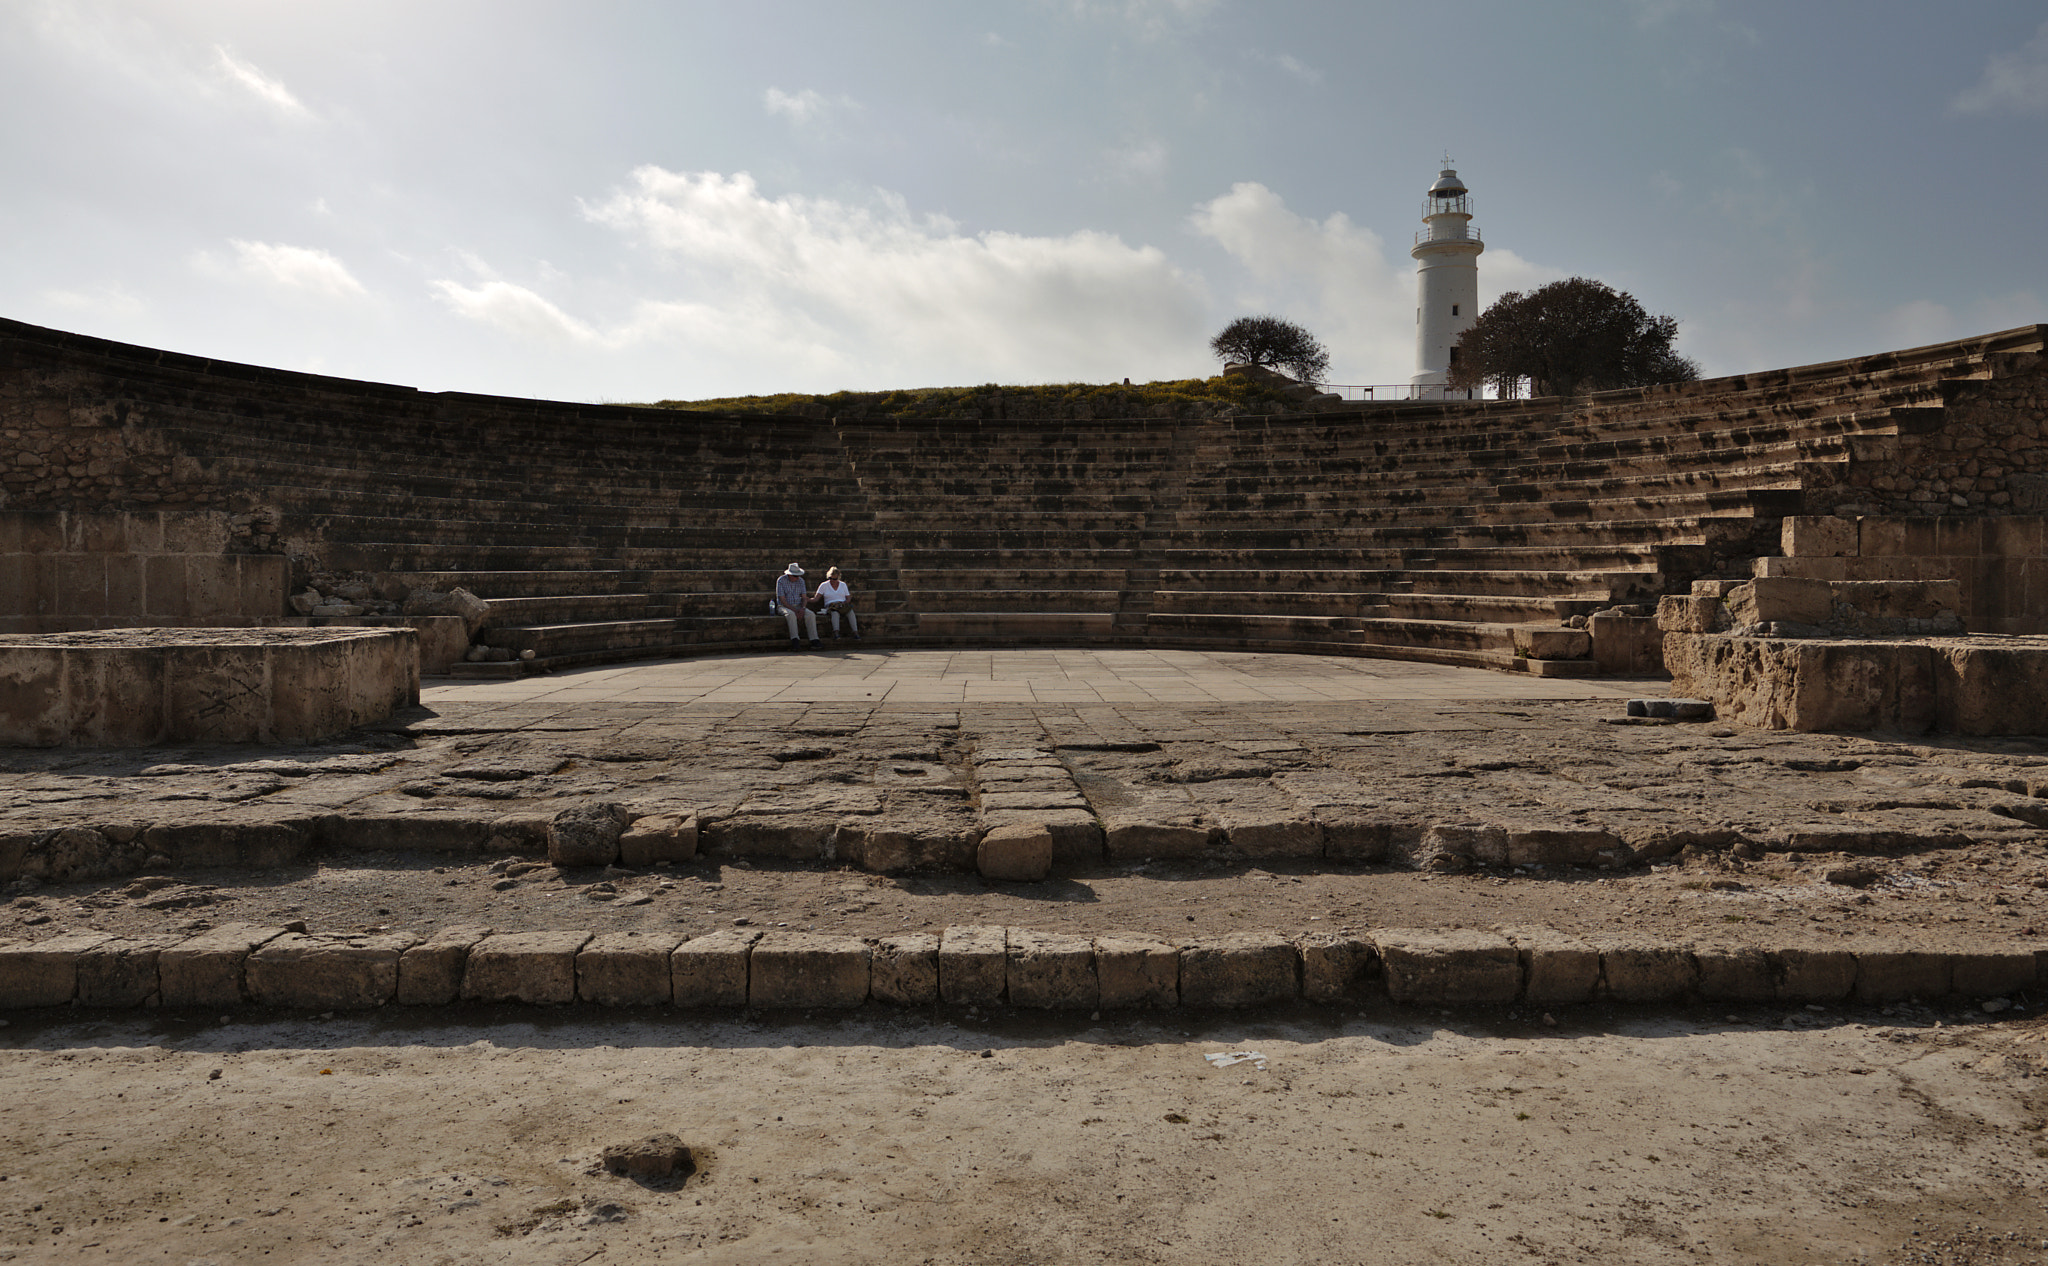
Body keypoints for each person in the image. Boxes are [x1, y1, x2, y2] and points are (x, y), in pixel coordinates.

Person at [773, 563, 820, 650]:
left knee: (811, 614)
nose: (797, 578)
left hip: (798, 605)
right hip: (784, 606)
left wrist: (803, 608)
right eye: (795, 576)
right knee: (790, 615)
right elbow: (782, 600)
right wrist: (795, 610)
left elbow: (804, 597)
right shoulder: (781, 580)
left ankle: (814, 639)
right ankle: (795, 639)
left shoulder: (801, 581)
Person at [814, 565, 861, 640]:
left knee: (850, 612)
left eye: (834, 579)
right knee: (834, 613)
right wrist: (807, 599)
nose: (832, 580)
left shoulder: (843, 585)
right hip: (831, 605)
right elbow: (816, 598)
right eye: (830, 578)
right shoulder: (824, 585)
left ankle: (855, 632)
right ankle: (836, 633)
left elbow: (848, 597)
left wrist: (844, 603)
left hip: (842, 604)